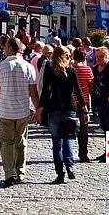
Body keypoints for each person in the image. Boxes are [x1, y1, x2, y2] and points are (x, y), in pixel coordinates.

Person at [0, 37, 40, 188]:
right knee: (21, 142)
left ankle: (9, 174)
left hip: (5, 111)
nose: (4, 50)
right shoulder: (28, 67)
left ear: (10, 48)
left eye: (5, 47)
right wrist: (37, 110)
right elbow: (34, 93)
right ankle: (20, 171)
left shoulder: (0, 67)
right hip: (22, 111)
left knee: (6, 143)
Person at [36, 45, 87, 184]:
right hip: (70, 107)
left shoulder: (50, 70)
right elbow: (78, 91)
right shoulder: (71, 70)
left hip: (54, 108)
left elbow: (45, 91)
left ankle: (60, 173)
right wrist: (84, 108)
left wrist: (40, 109)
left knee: (57, 142)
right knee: (68, 139)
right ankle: (70, 166)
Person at [71, 48, 94, 162]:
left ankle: (68, 153)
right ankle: (83, 154)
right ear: (85, 57)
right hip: (83, 103)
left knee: (69, 129)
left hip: (71, 102)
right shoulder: (87, 70)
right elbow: (91, 86)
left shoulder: (70, 69)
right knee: (84, 130)